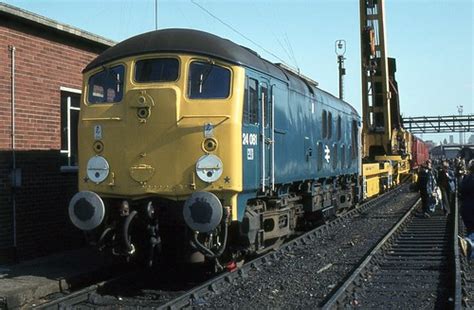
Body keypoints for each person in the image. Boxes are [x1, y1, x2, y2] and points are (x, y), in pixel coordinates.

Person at [460, 159, 474, 260]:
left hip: (465, 210)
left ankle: (471, 255)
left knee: (471, 230)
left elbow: (461, 192)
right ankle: (468, 241)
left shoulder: (466, 178)